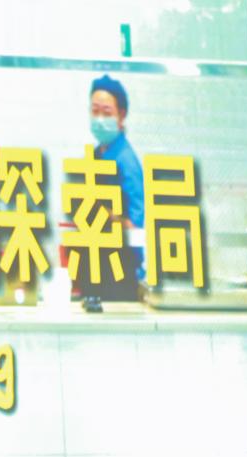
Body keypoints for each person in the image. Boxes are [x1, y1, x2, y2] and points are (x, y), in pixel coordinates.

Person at [83, 74, 145, 311]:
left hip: (120, 274)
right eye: (95, 111)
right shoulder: (96, 155)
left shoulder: (126, 161)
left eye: (107, 112)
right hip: (95, 267)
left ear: (121, 116)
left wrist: (105, 214)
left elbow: (135, 228)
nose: (99, 119)